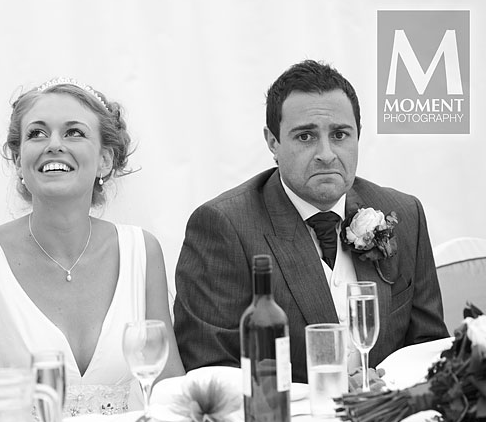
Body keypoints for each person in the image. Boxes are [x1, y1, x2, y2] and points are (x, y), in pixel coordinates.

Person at [0, 78, 184, 422]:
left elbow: (166, 384)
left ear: (105, 160)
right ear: (18, 161)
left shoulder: (142, 251)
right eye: (36, 134)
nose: (54, 145)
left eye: (74, 133)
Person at [173, 60, 448, 384]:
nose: (327, 154)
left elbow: (429, 350)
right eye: (305, 136)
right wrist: (325, 394)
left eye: (340, 134)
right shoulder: (222, 226)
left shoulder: (405, 213)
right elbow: (210, 371)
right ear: (273, 142)